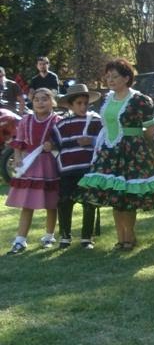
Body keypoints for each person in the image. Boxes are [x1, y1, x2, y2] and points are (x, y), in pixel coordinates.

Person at [77, 58, 154, 251]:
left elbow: (150, 130)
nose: (110, 80)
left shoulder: (139, 100)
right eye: (108, 76)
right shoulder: (107, 99)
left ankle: (129, 236)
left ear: (126, 78)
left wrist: (135, 140)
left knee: (128, 197)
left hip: (132, 153)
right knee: (115, 197)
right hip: (109, 152)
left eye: (115, 76)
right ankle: (121, 238)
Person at [5, 88, 61, 254]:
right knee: (27, 204)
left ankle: (49, 236)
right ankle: (20, 240)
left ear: (52, 102)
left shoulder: (57, 120)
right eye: (37, 99)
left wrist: (53, 145)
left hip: (49, 164)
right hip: (30, 165)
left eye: (44, 99)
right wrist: (17, 158)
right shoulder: (26, 120)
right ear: (32, 102)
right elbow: (19, 141)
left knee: (51, 203)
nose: (40, 102)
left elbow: (61, 141)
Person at [53, 84, 103, 250]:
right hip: (67, 171)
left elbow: (105, 142)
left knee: (89, 203)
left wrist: (92, 141)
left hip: (89, 170)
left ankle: (87, 238)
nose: (83, 106)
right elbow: (56, 145)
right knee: (65, 202)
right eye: (79, 103)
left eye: (85, 103)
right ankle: (65, 236)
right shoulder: (61, 125)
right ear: (70, 105)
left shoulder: (96, 122)